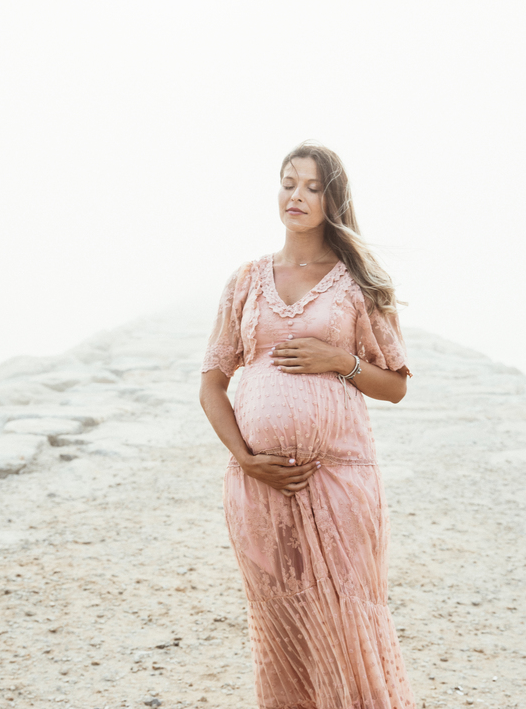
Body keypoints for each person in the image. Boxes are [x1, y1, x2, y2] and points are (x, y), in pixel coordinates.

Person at [198, 141, 417, 708]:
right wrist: (246, 459)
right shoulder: (246, 280)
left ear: (332, 200)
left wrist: (340, 361)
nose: (296, 195)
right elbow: (211, 385)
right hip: (258, 485)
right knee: (284, 627)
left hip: (340, 480)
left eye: (313, 187)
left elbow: (395, 385)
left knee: (347, 620)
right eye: (288, 182)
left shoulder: (357, 283)